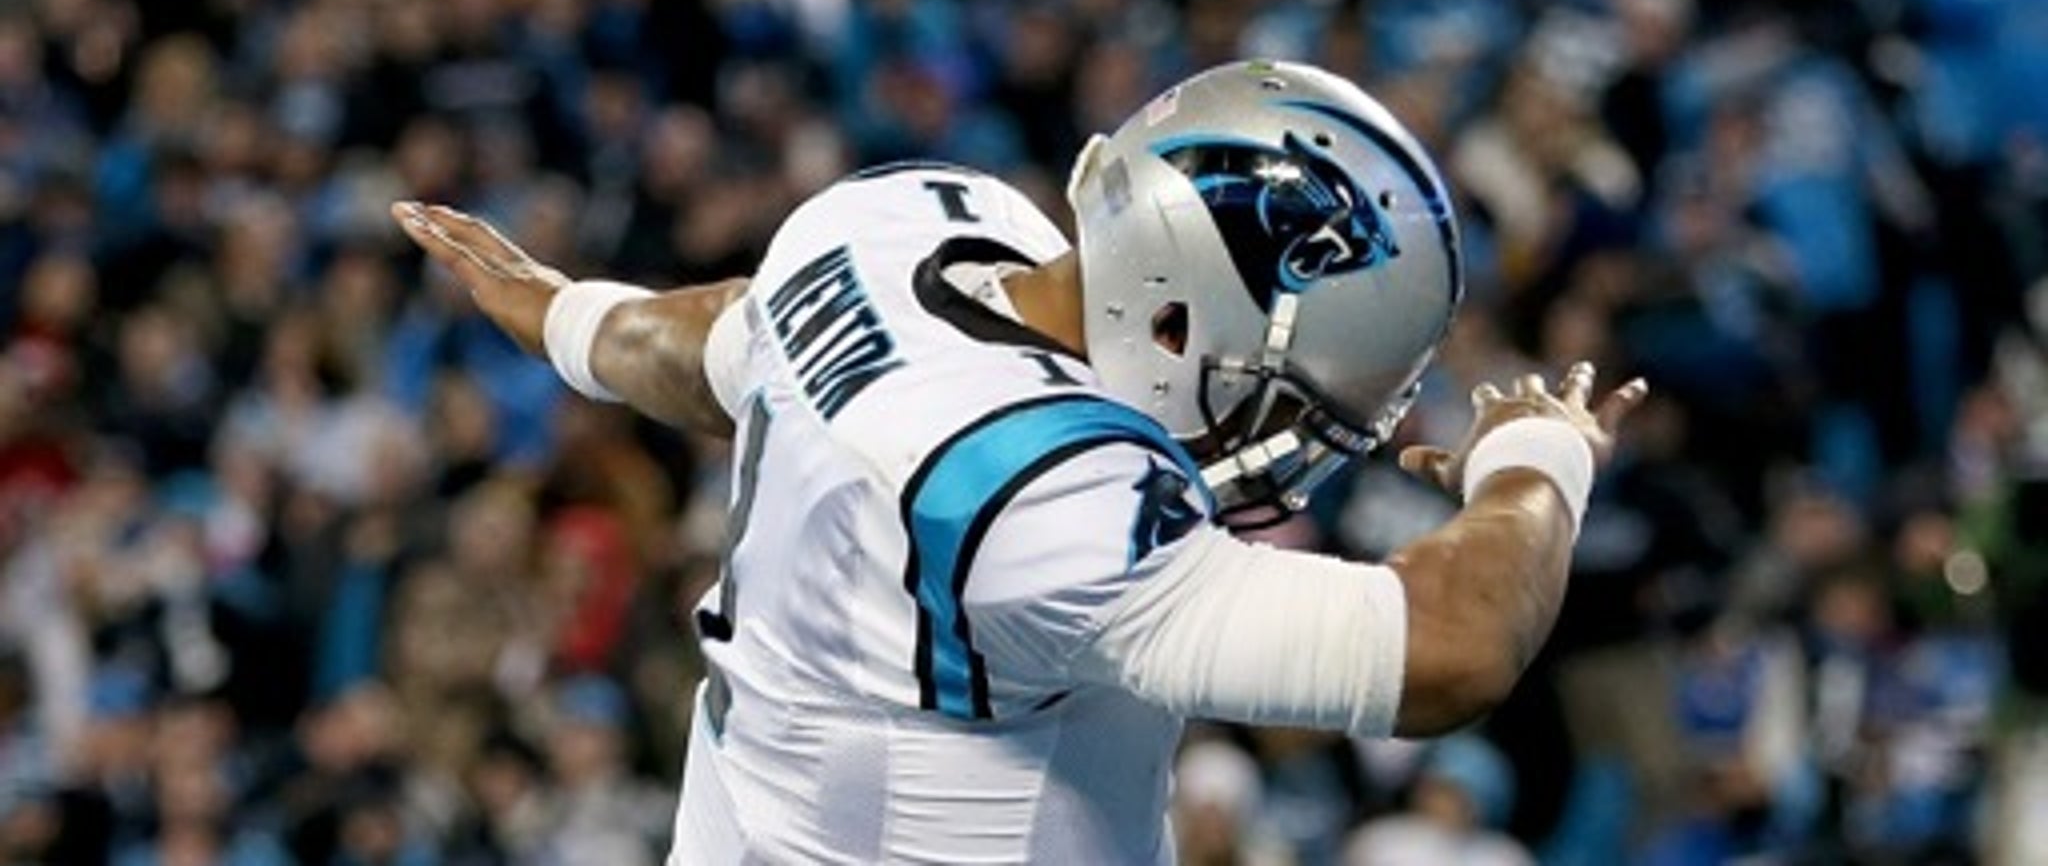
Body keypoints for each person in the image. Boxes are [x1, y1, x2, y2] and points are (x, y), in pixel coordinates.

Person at [393, 59, 1647, 864]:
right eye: (1281, 397)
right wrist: (1538, 455)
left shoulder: (897, 231)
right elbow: (1452, 650)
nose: (1282, 440)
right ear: (1171, 322)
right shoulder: (1044, 492)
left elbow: (722, 336)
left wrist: (571, 320)